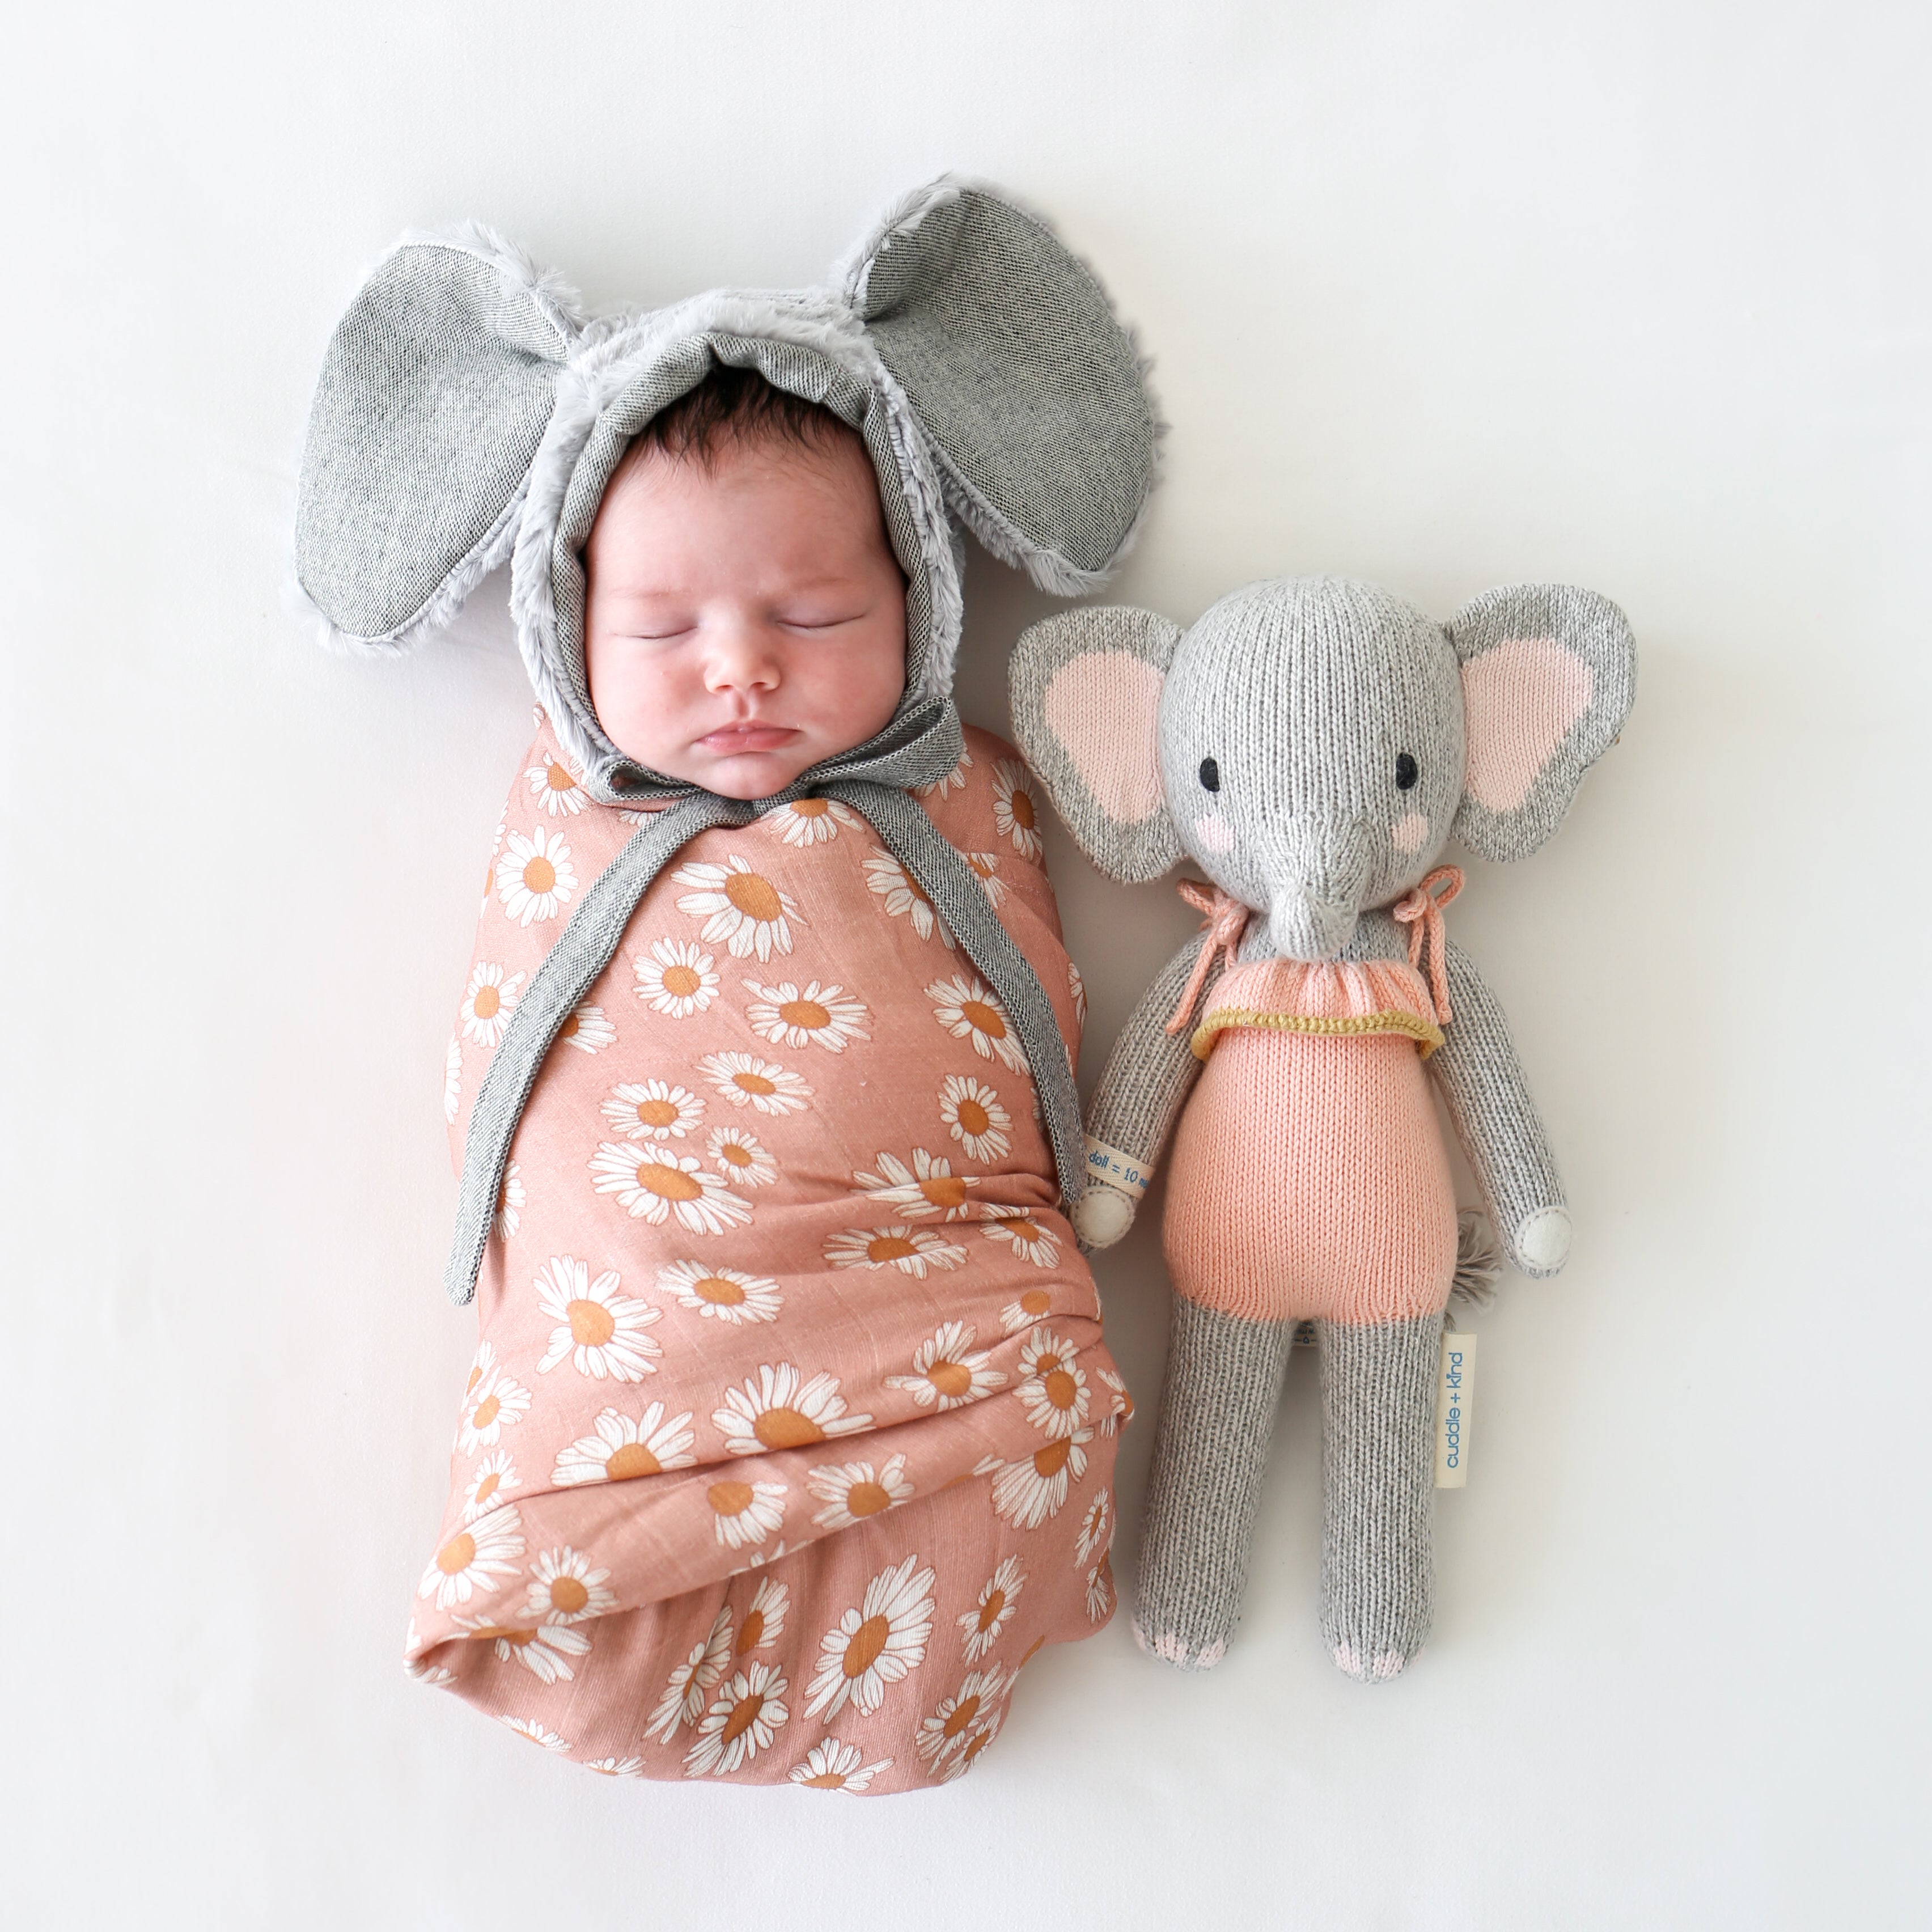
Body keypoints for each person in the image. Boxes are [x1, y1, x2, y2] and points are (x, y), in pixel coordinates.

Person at [295, 181, 1162, 1789]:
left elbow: (1030, 1036)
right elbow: (523, 1078)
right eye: (664, 625)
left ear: (917, 600)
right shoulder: (562, 824)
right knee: (593, 1419)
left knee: (1031, 1440)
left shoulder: (970, 798)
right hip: (649, 1330)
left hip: (940, 1323)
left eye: (814, 612)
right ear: (567, 631)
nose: (740, 666)